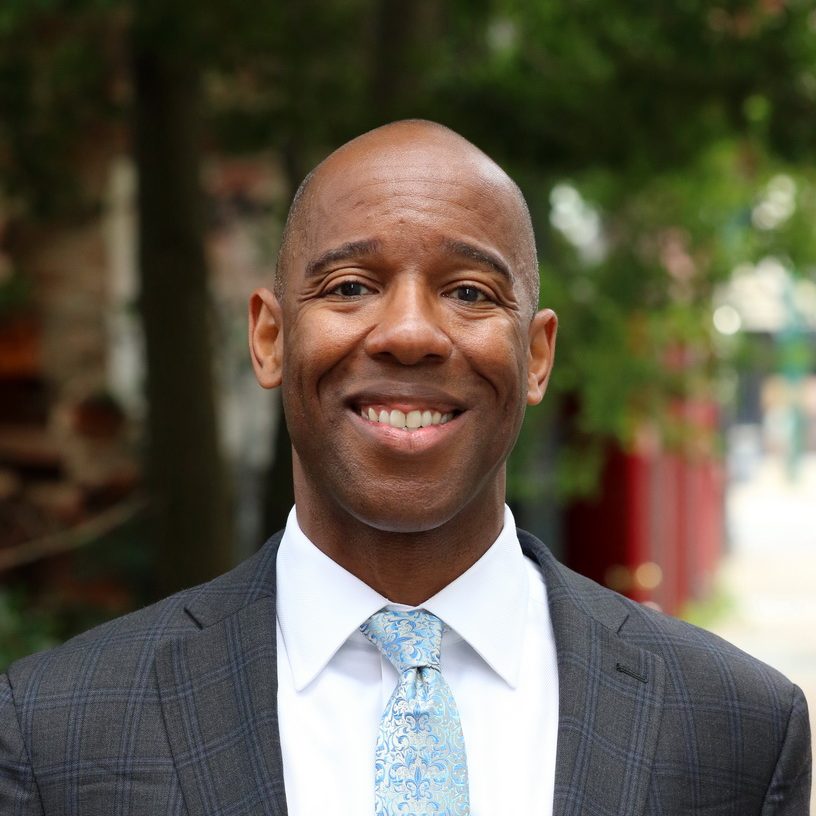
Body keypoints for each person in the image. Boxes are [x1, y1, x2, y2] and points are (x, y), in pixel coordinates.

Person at [0, 120, 810, 815]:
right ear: (270, 339)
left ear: (536, 356)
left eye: (470, 293)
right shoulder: (56, 733)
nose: (411, 333)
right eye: (351, 286)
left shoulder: (734, 730)